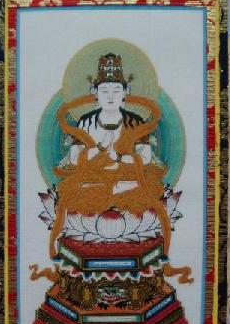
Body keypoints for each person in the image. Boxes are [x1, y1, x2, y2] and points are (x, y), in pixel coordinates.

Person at [49, 53, 171, 258]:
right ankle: (110, 197)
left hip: (128, 179)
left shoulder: (136, 121)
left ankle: (113, 197)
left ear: (125, 92)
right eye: (105, 91)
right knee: (75, 191)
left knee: (149, 188)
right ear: (95, 92)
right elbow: (75, 159)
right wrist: (98, 149)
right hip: (94, 178)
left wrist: (118, 158)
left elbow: (146, 159)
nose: (111, 97)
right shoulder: (85, 122)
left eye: (116, 90)